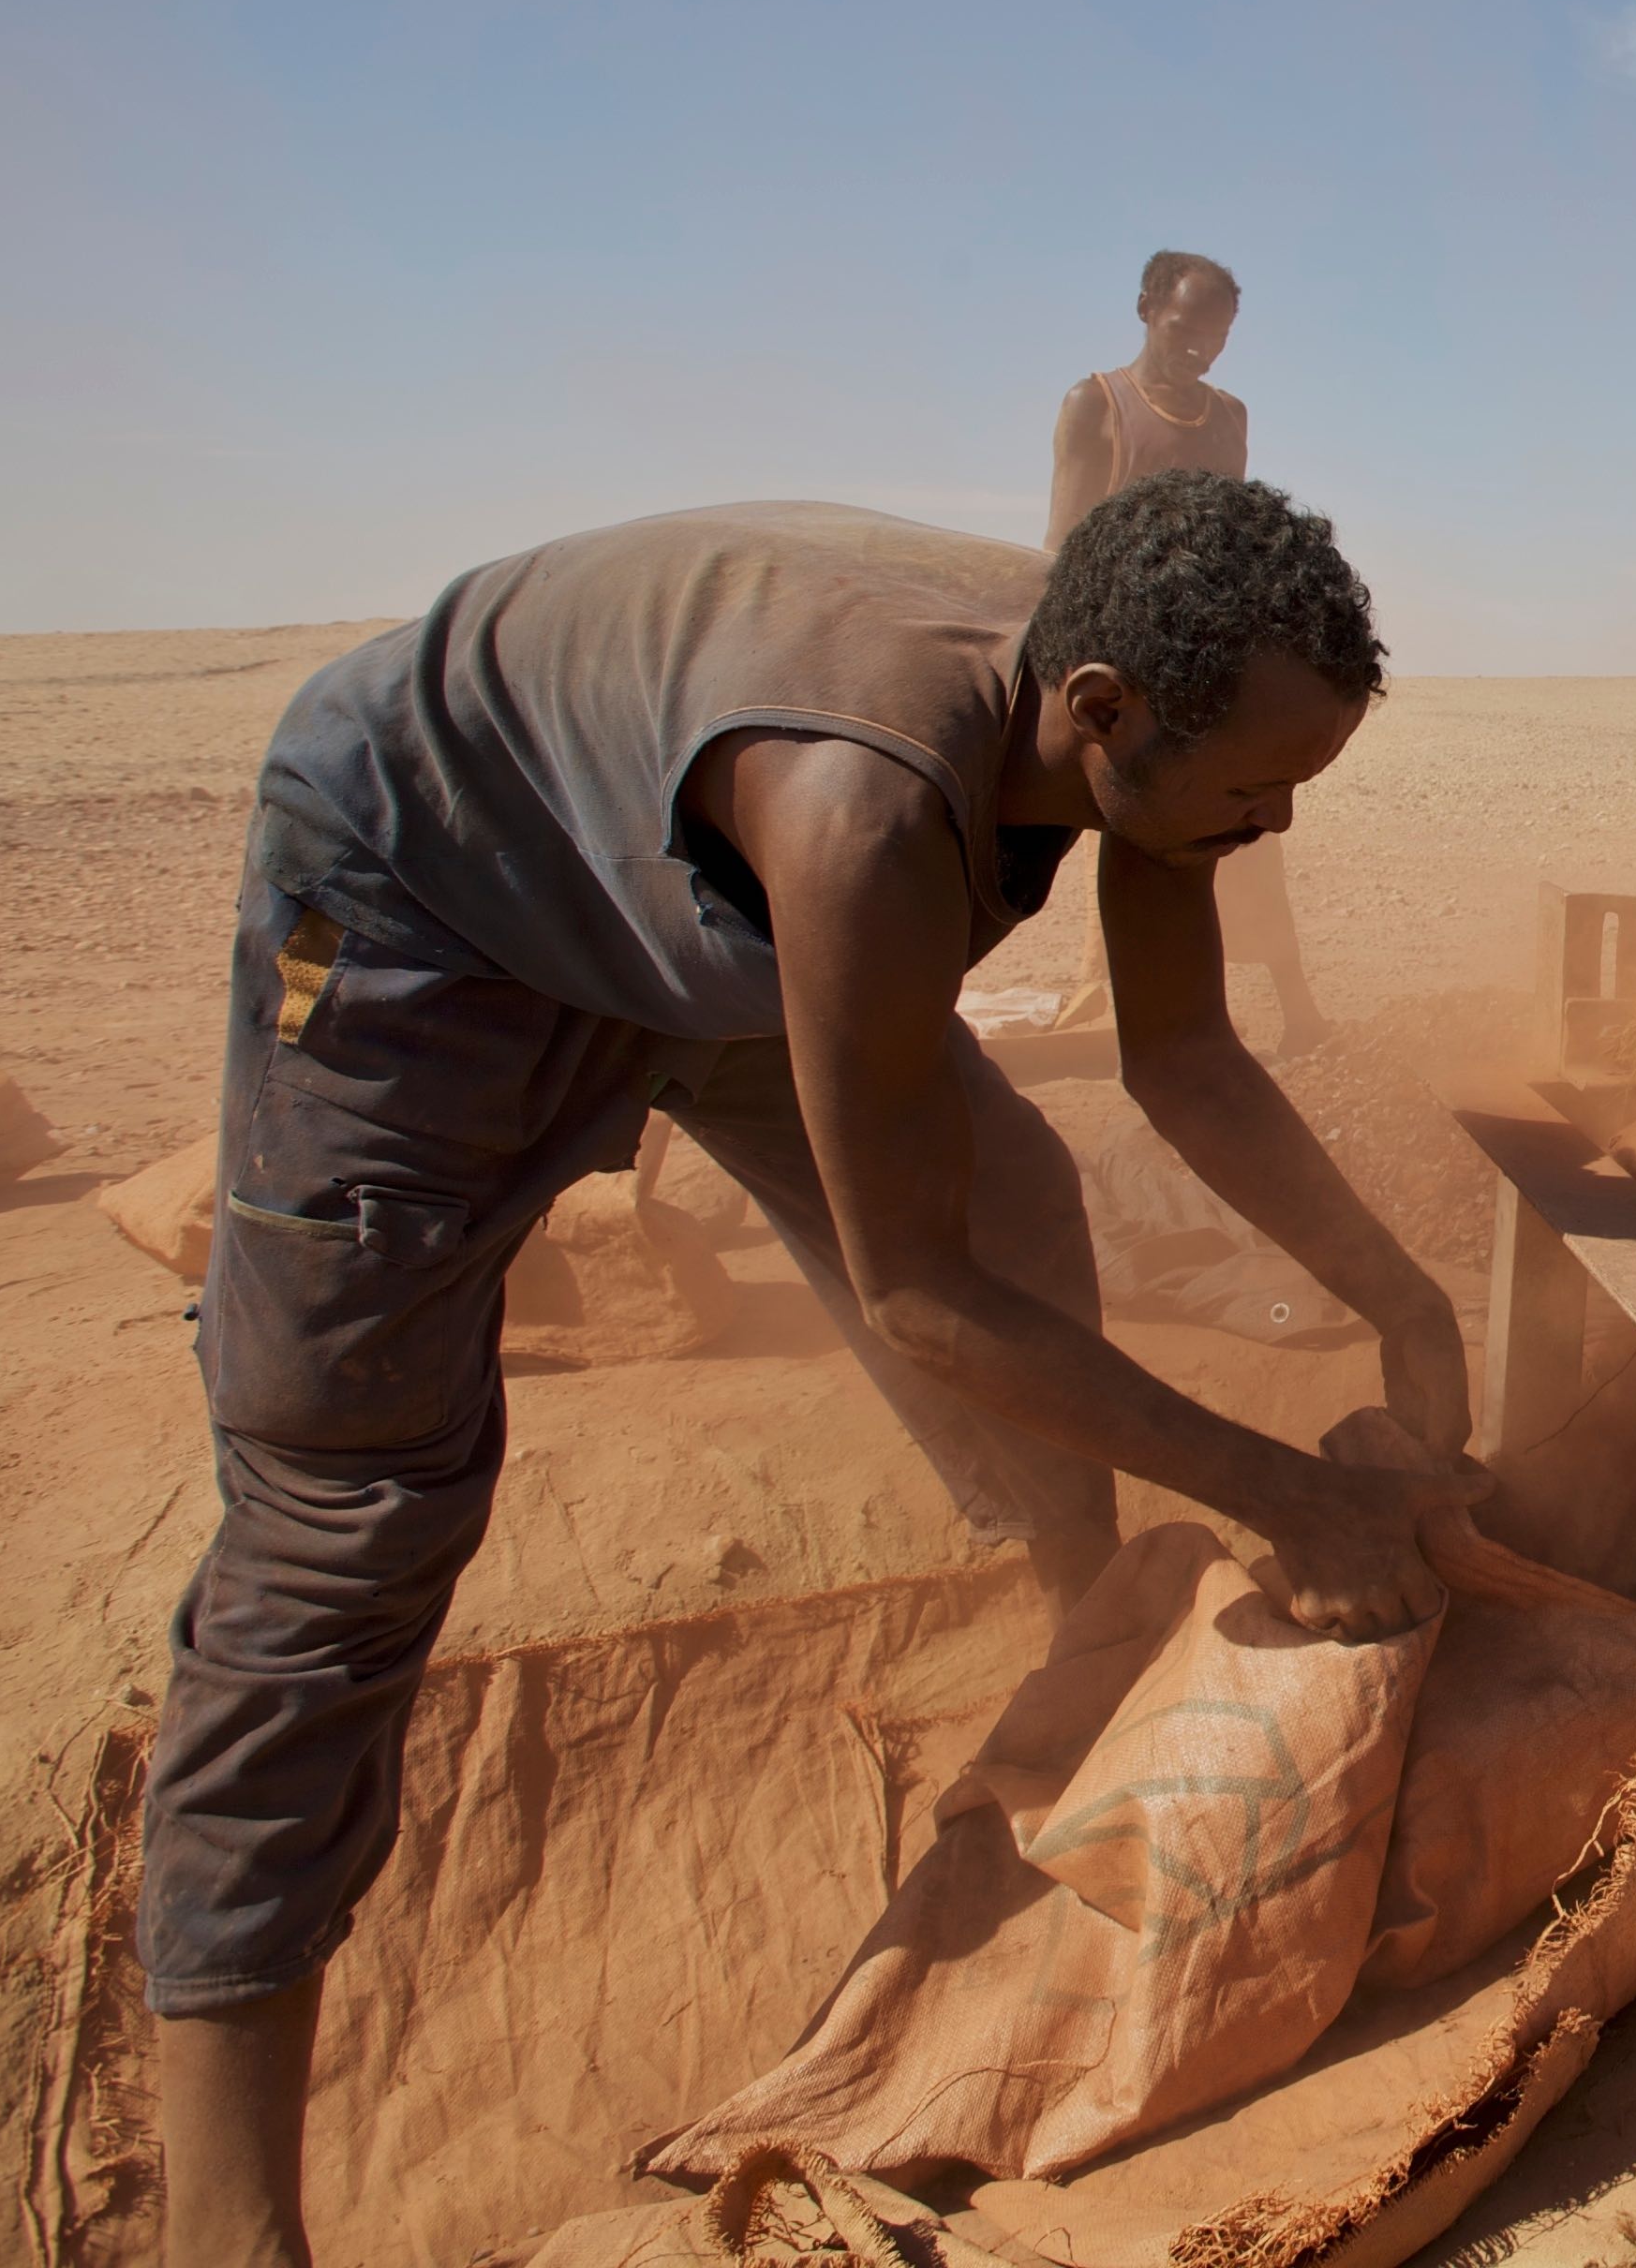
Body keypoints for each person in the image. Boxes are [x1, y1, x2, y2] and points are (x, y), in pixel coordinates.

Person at [145, 474, 1480, 2266]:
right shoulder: (865, 811)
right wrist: (1278, 1489)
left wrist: (1402, 1304)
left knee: (1011, 1183)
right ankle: (227, 2224)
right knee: (350, 1515)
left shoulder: (1153, 692)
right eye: (1251, 791)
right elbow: (912, 1297)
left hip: (699, 913)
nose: (1270, 823)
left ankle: (1085, 1657)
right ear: (1094, 711)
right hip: (428, 901)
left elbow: (1183, 1052)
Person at [1044, 249, 1330, 1050]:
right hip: (1119, 665)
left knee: (1246, 830)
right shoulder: (1096, 404)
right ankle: (1107, 999)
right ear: (1144, 308)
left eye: (1219, 331)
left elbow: (1233, 540)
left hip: (1206, 661)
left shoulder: (1230, 417)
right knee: (1120, 825)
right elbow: (1064, 541)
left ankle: (1294, 1006)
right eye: (1185, 325)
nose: (1201, 344)